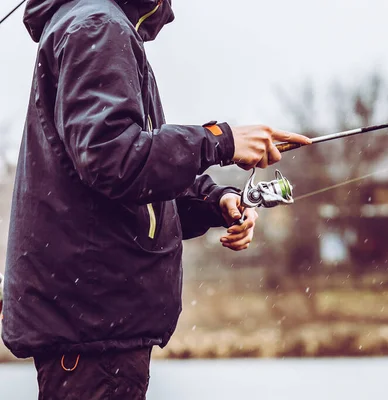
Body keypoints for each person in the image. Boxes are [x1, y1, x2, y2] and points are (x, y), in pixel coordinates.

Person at [0, 0, 311, 398]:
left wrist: (216, 201)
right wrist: (220, 140)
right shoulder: (96, 25)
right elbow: (113, 158)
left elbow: (129, 185)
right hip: (94, 333)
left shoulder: (93, 23)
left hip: (95, 331)